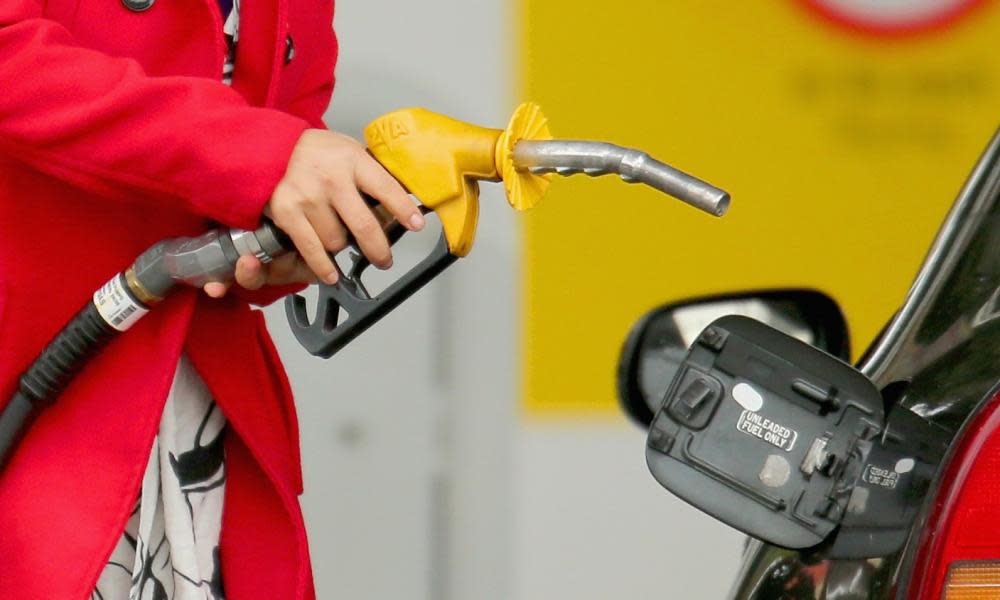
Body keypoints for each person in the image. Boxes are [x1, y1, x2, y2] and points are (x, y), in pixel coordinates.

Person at [0, 0, 422, 597]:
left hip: (194, 415)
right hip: (38, 387)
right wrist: (258, 156)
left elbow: (284, 128)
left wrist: (297, 224)